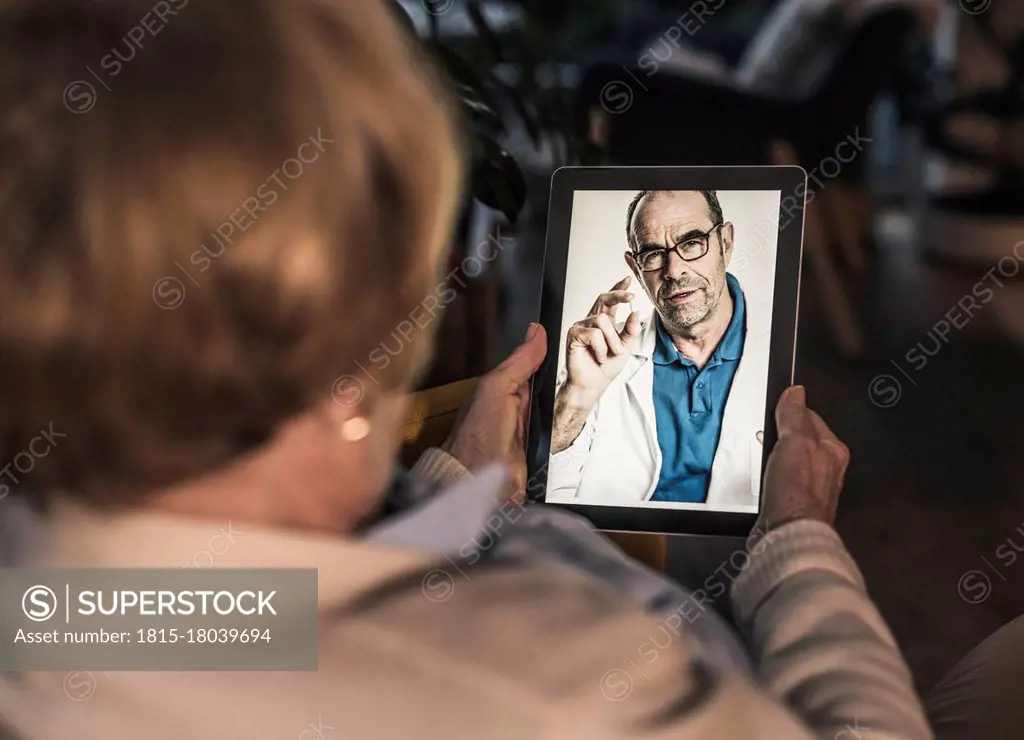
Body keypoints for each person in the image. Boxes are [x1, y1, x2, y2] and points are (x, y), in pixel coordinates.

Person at [0, 1, 1014, 739]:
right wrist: (794, 546)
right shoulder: (570, 683)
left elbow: (235, 615)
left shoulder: (50, 600)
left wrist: (462, 492)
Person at [547, 190, 767, 508]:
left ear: (726, 243)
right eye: (652, 254)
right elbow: (548, 500)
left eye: (692, 243)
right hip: (621, 547)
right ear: (636, 268)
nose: (674, 270)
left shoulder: (784, 345)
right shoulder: (598, 356)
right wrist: (576, 398)